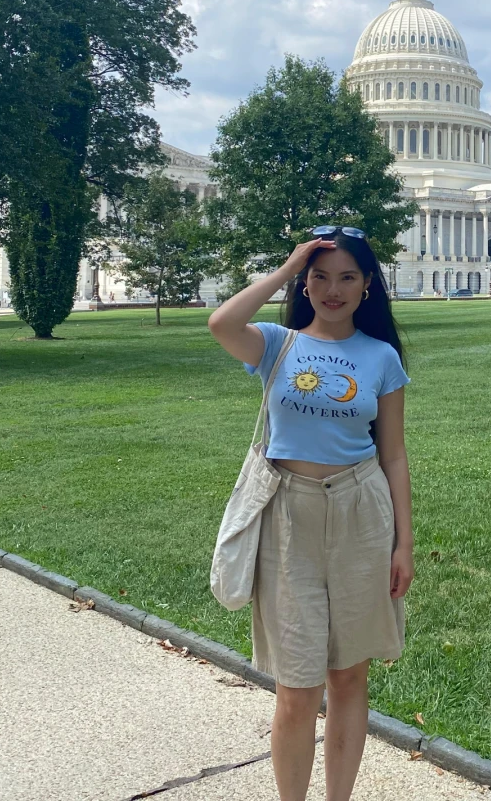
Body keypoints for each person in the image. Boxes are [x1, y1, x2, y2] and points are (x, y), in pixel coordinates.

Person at [207, 226, 415, 801]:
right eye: (319, 276)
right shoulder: (277, 342)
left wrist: (404, 543)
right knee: (296, 687)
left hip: (361, 512)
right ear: (305, 281)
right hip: (288, 515)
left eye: (347, 276)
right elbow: (221, 324)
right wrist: (287, 265)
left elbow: (394, 453)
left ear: (368, 285)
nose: (332, 289)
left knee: (349, 676)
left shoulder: (381, 357)